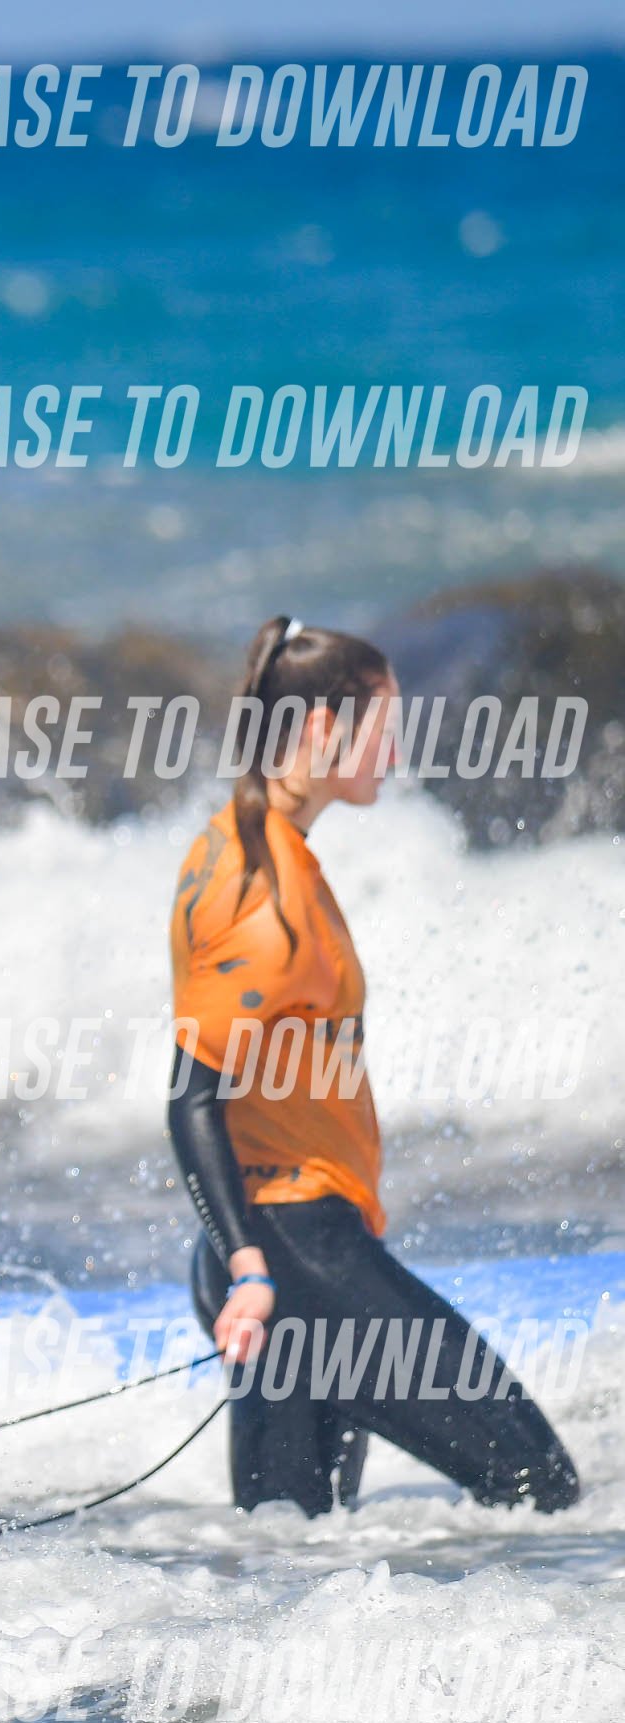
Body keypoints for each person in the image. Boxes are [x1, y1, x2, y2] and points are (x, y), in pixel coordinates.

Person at [168, 615, 579, 1517]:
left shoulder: (248, 845)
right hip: (291, 1262)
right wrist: (248, 1267)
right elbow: (190, 1098)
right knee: (539, 1486)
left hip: (288, 1254)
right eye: (383, 728)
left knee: (289, 1546)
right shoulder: (258, 896)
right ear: (321, 730)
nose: (395, 751)